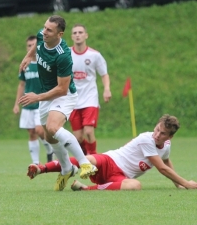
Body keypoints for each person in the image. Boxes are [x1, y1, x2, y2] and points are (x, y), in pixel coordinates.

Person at [18, 15, 97, 191]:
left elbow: (62, 89)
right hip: (47, 94)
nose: (44, 32)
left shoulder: (63, 56)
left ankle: (85, 164)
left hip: (64, 95)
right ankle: (67, 168)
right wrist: (27, 57)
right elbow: (37, 46)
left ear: (59, 34)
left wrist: (36, 97)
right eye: (44, 27)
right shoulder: (42, 35)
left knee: (53, 127)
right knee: (49, 137)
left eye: (49, 30)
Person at [27, 114, 197, 191]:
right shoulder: (147, 139)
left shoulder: (166, 145)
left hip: (119, 177)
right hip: (110, 160)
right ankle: (41, 168)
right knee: (86, 160)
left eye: (162, 134)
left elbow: (167, 162)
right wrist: (187, 183)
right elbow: (162, 168)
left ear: (170, 137)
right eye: (157, 129)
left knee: (135, 186)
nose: (157, 135)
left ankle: (86, 189)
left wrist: (178, 184)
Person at [69, 24, 111, 155]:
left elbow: (104, 74)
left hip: (89, 98)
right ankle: (84, 160)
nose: (77, 35)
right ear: (71, 36)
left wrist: (107, 89)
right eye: (75, 33)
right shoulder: (66, 54)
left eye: (80, 32)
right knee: (78, 137)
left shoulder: (95, 55)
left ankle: (93, 158)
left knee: (88, 131)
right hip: (73, 99)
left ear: (86, 35)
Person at [13, 35, 54, 164]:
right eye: (29, 46)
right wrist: (16, 104)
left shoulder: (44, 63)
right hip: (27, 104)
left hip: (41, 103)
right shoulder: (25, 64)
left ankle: (49, 149)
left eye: (33, 45)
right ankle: (35, 163)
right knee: (31, 133)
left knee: (40, 130)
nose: (31, 48)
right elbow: (21, 84)